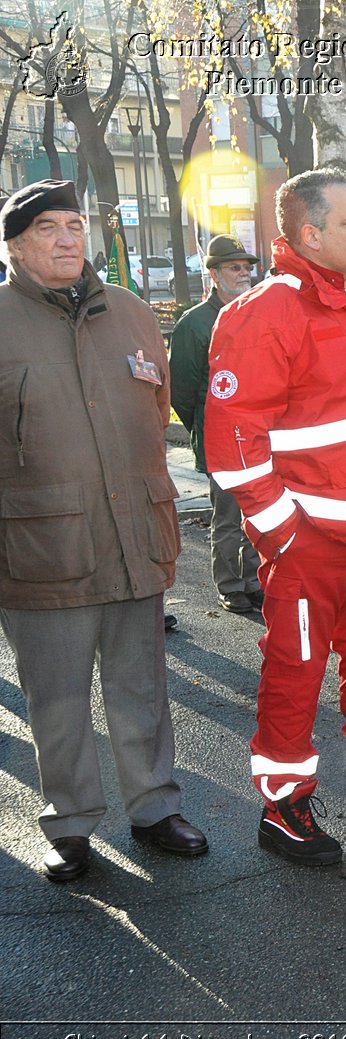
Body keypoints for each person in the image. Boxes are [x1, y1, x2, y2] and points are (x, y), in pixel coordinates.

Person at [206, 168, 346, 866]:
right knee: (294, 670)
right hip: (312, 543)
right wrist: (284, 535)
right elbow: (233, 442)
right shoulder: (264, 312)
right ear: (308, 232)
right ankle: (284, 806)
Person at [0, 179, 208, 882]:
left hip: (131, 536)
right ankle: (71, 822)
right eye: (48, 228)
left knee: (142, 688)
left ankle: (155, 808)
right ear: (15, 244)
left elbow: (155, 412)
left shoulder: (130, 312)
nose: (67, 239)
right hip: (40, 549)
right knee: (55, 699)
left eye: (75, 224)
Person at [170, 234, 264, 615]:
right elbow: (183, 390)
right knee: (227, 517)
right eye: (233, 267)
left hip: (259, 435)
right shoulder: (195, 324)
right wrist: (204, 429)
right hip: (221, 438)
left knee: (260, 513)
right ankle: (231, 585)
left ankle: (256, 580)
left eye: (246, 267)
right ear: (213, 274)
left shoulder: (257, 314)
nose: (243, 274)